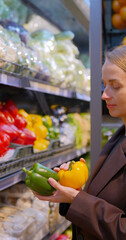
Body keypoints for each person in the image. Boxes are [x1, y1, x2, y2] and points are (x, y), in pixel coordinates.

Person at [33, 45, 126, 240]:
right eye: (104, 85)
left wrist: (79, 200)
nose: (104, 95)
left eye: (115, 86)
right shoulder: (120, 135)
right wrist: (73, 195)